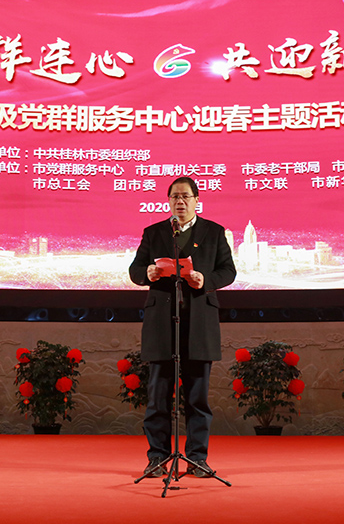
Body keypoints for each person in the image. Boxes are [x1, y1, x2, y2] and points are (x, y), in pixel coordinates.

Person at [128, 176, 237, 479]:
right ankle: (157, 457)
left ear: (196, 201)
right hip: (162, 325)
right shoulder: (154, 232)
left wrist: (206, 280)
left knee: (197, 399)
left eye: (185, 196)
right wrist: (147, 273)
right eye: (175, 196)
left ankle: (197, 459)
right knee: (158, 398)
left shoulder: (214, 232)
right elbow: (135, 270)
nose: (180, 201)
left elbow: (228, 271)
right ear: (168, 201)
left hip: (199, 324)